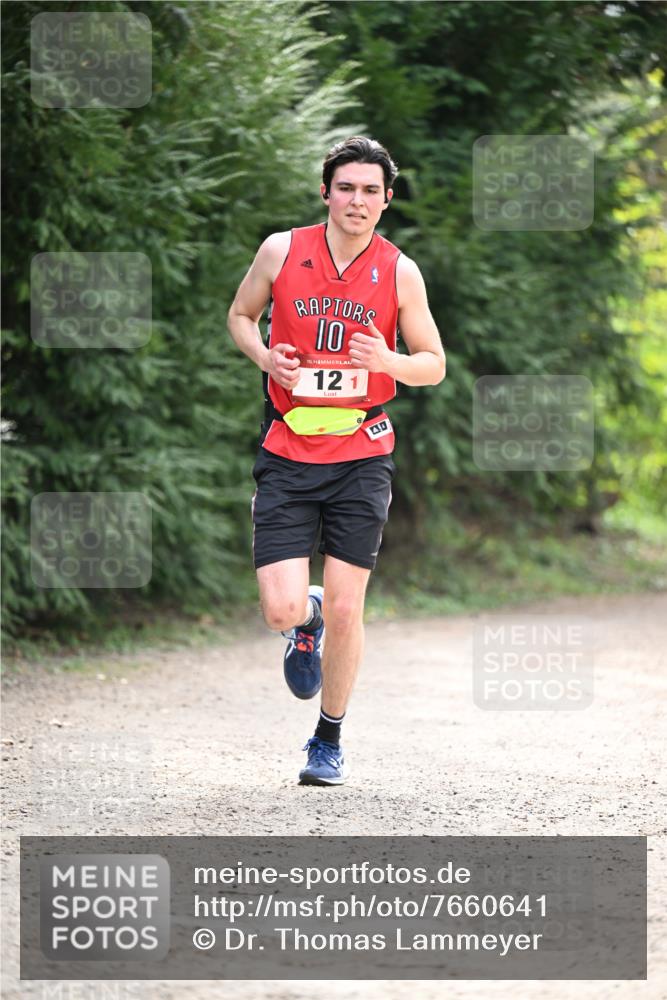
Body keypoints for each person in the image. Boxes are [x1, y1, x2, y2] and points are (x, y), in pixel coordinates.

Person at [227, 136, 445, 786]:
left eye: (369, 190)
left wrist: (388, 363)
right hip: (288, 451)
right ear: (325, 192)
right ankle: (304, 621)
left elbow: (432, 365)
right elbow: (241, 315)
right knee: (278, 609)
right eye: (345, 187)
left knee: (353, 609)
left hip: (362, 453)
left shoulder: (399, 270)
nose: (357, 200)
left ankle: (327, 738)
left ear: (385, 201)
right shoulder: (280, 250)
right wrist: (265, 357)